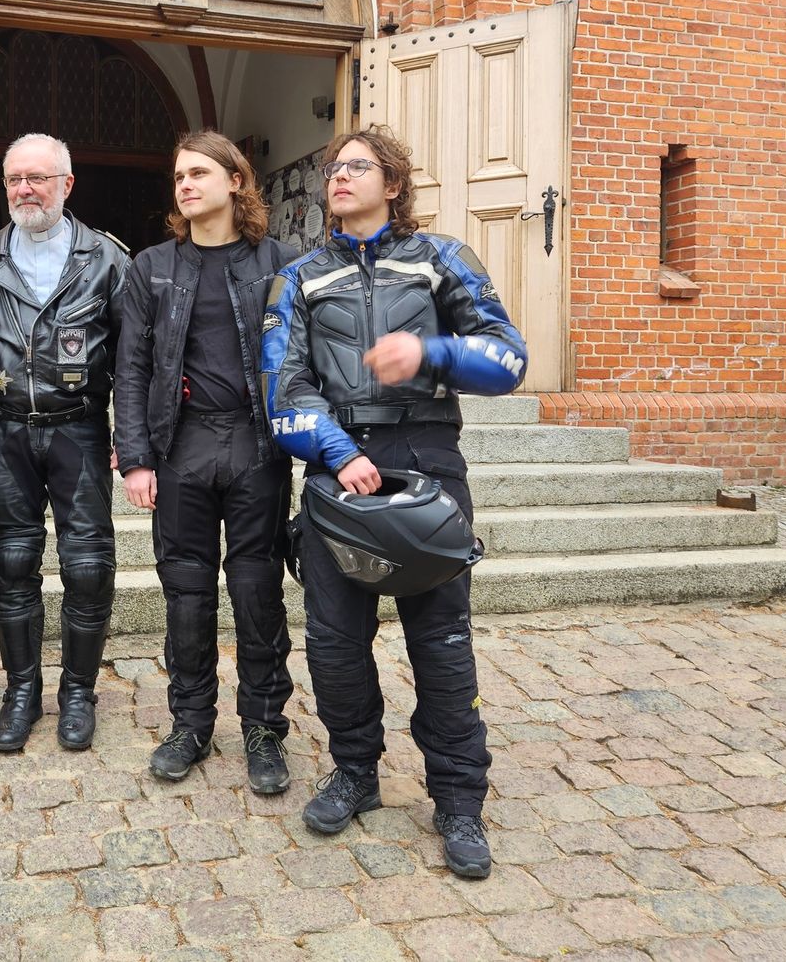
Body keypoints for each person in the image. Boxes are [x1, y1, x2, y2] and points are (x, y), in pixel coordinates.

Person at [261, 126, 527, 879]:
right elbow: (282, 388)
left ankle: (459, 800)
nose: (339, 177)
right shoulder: (298, 278)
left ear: (394, 183)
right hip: (338, 470)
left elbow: (508, 357)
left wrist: (431, 353)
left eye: (358, 166)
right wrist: (337, 452)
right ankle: (355, 772)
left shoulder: (441, 259)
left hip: (428, 462)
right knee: (334, 644)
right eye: (333, 168)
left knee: (442, 644)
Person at [114, 131, 298, 792]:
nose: (186, 185)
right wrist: (136, 458)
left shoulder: (280, 262)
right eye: (179, 176)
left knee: (257, 591)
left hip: (256, 447)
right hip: (181, 447)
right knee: (186, 595)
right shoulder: (153, 267)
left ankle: (263, 728)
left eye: (199, 173)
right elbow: (131, 367)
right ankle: (190, 724)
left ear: (235, 181)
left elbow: (302, 358)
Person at [0, 133, 129, 753]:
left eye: (38, 178)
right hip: (5, 428)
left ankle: (79, 692)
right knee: (12, 561)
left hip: (78, 429)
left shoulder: (107, 260)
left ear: (67, 184)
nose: (25, 190)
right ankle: (21, 691)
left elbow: (134, 358)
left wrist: (133, 437)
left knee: (87, 566)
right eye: (15, 179)